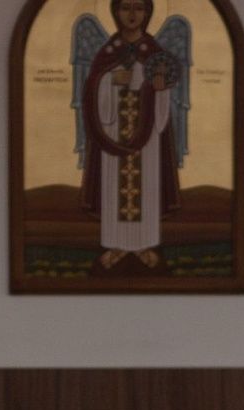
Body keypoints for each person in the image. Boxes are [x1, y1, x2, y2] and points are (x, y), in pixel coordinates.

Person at [77, 0, 184, 271]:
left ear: (147, 12)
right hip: (113, 132)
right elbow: (92, 88)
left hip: (147, 138)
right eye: (126, 7)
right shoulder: (108, 51)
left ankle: (143, 245)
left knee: (146, 185)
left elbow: (165, 84)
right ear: (116, 12)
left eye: (139, 8)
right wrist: (111, 80)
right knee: (114, 187)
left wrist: (159, 86)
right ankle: (116, 245)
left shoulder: (154, 51)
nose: (133, 14)